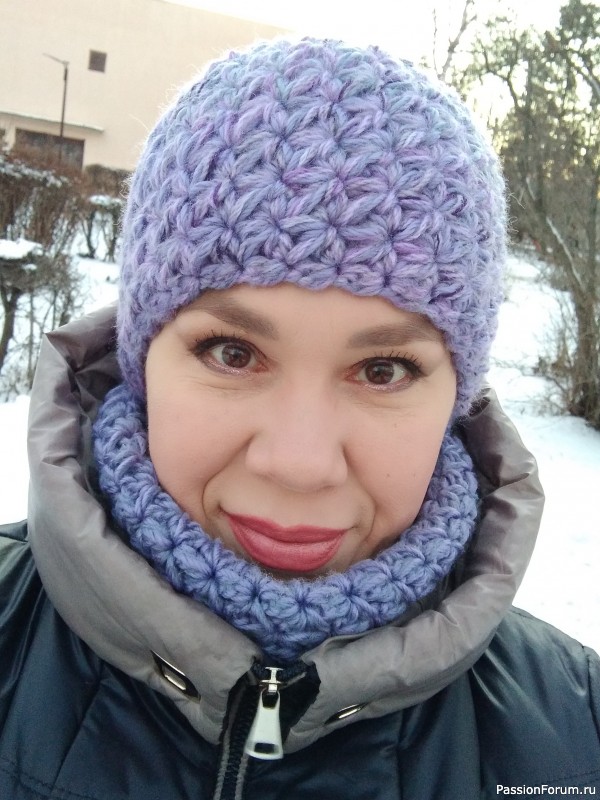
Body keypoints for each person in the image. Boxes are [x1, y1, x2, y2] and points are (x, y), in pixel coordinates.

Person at [1, 38, 598, 800]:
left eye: (383, 371)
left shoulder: (580, 736)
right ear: (142, 359)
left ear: (457, 395)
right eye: (232, 353)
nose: (299, 463)